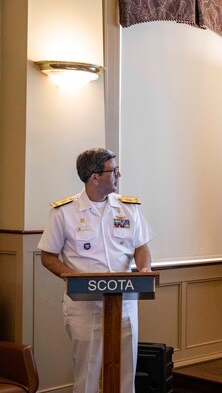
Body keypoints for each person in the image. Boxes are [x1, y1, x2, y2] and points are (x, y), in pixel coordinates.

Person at [38, 148, 154, 393]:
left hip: (125, 304)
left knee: (126, 375)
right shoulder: (64, 212)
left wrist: (144, 268)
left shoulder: (128, 208)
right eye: (113, 170)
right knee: (87, 377)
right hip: (85, 307)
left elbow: (141, 247)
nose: (118, 175)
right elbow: (48, 256)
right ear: (94, 177)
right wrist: (73, 277)